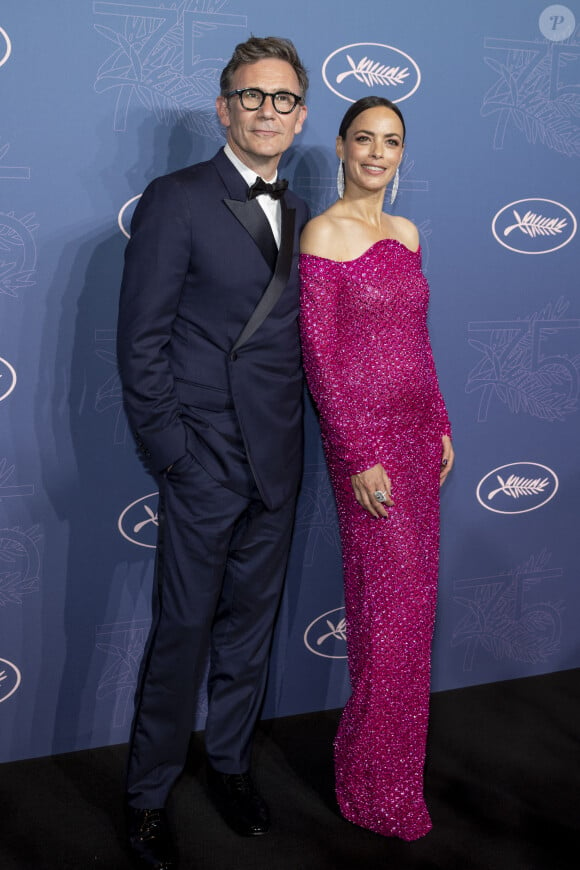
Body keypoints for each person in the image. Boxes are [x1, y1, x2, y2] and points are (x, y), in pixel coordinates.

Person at [117, 36, 309, 869]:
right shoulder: (177, 198)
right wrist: (174, 454)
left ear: (301, 118)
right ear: (224, 107)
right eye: (253, 95)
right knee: (183, 633)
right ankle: (147, 795)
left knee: (249, 634)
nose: (269, 111)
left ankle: (230, 767)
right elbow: (140, 341)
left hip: (279, 458)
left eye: (285, 99)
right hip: (204, 459)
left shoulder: (306, 214)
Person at [299, 96, 454, 842]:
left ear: (401, 154)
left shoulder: (409, 231)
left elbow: (416, 338)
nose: (376, 153)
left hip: (421, 441)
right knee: (384, 624)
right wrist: (357, 454)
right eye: (364, 139)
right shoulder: (323, 233)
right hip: (368, 452)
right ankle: (368, 787)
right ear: (339, 147)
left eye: (390, 142)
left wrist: (443, 420)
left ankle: (396, 779)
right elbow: (321, 361)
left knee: (413, 620)